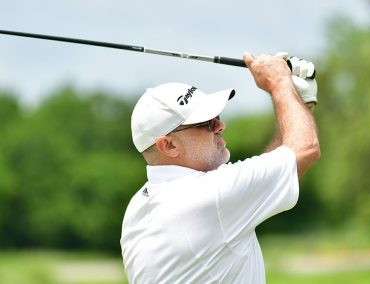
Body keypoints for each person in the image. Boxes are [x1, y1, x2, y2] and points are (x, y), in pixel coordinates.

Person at [120, 52, 320, 283]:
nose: (220, 125)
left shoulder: (140, 204)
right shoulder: (208, 197)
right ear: (169, 145)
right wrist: (280, 83)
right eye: (207, 123)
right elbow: (305, 149)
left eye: (217, 116)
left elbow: (277, 164)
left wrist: (299, 104)